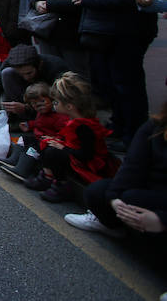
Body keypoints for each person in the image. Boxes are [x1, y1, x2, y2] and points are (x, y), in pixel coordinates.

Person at [68, 0, 164, 147]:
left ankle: (132, 134)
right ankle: (118, 125)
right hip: (105, 32)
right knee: (110, 83)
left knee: (126, 85)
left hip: (126, 33)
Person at [64, 101, 167, 240]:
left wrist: (162, 220)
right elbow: (132, 166)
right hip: (149, 188)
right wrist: (114, 199)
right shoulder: (155, 126)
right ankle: (112, 226)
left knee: (132, 198)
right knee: (98, 191)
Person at [23, 72, 116, 203]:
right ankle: (46, 176)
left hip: (87, 162)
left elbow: (86, 155)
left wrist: (63, 148)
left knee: (52, 152)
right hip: (73, 152)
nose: (54, 105)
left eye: (56, 102)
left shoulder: (84, 127)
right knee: (45, 143)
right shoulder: (74, 121)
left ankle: (61, 184)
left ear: (69, 106)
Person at [0, 44, 69, 129]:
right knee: (6, 73)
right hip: (27, 103)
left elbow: (65, 100)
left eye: (29, 73)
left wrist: (27, 109)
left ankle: (39, 120)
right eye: (21, 74)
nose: (26, 78)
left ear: (39, 65)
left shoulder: (55, 67)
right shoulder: (9, 64)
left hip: (52, 106)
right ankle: (17, 118)